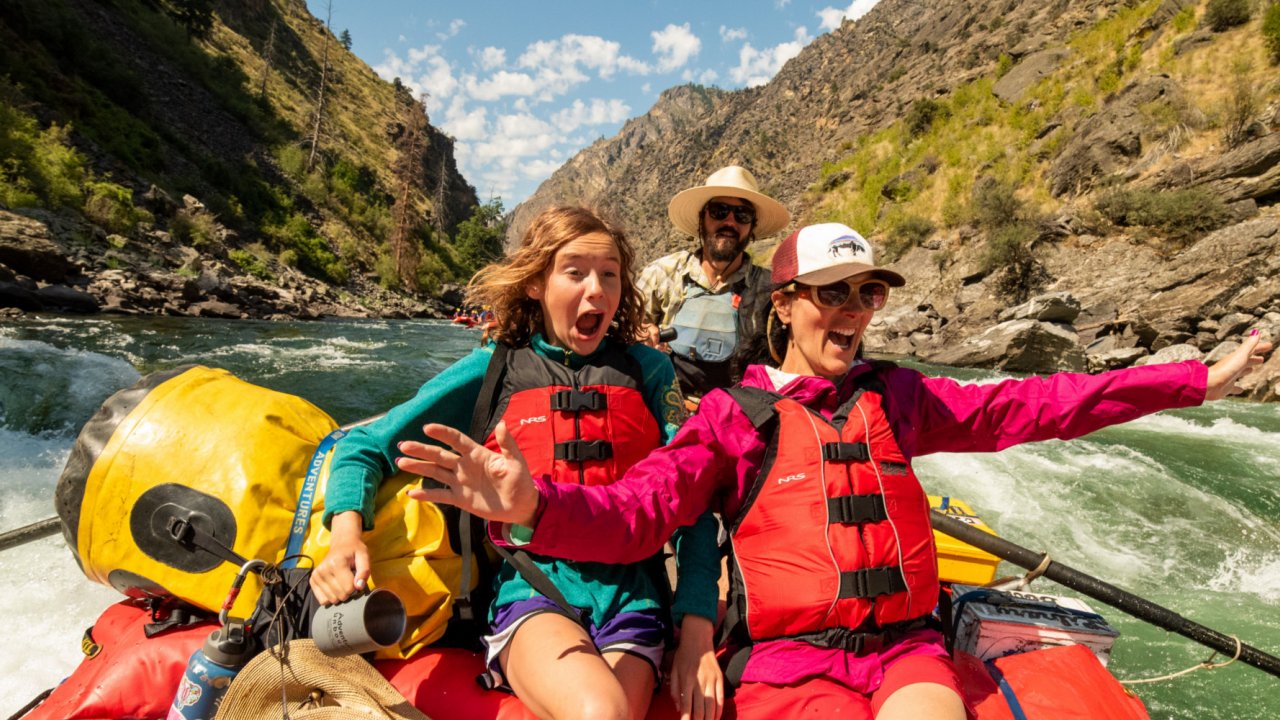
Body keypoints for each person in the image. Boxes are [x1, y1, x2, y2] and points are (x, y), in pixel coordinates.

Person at [398, 221, 1272, 720]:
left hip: (905, 652)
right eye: (832, 292)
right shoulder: (731, 415)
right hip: (787, 665)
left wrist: (1192, 382)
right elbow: (642, 510)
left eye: (867, 293)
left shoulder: (898, 396)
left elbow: (1035, 403)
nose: (853, 310)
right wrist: (534, 504)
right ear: (785, 306)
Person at [311, 206, 718, 720]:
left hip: (635, 596)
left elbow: (692, 498)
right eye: (575, 272)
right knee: (602, 711)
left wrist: (697, 626)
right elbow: (364, 446)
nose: (597, 290)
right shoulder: (492, 370)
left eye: (610, 274)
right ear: (535, 284)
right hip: (533, 588)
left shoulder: (651, 372)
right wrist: (345, 535)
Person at [638, 165, 791, 398]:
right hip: (664, 406)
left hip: (740, 411)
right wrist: (641, 333)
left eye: (742, 215)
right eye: (719, 211)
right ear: (702, 219)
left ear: (752, 227)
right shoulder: (662, 274)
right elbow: (621, 327)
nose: (730, 222)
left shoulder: (771, 291)